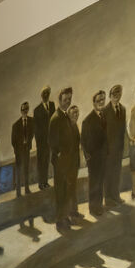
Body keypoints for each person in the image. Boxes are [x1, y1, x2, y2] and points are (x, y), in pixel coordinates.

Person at [48, 87, 79, 231]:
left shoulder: (66, 116)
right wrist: (60, 158)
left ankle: (65, 217)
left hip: (69, 162)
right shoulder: (55, 118)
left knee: (67, 191)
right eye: (65, 99)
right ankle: (60, 221)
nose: (68, 102)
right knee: (60, 191)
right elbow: (52, 142)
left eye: (70, 99)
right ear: (60, 100)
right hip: (61, 164)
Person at [81, 90, 108, 216]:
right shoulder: (88, 120)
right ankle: (93, 207)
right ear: (94, 103)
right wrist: (88, 157)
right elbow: (83, 142)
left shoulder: (104, 116)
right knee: (94, 182)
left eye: (103, 99)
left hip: (103, 156)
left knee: (100, 181)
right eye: (98, 100)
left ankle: (99, 205)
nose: (101, 102)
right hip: (93, 158)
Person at [104, 84, 127, 206]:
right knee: (108, 174)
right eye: (114, 95)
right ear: (110, 96)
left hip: (118, 149)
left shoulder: (123, 109)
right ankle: (108, 199)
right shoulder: (105, 111)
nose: (116, 97)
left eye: (118, 94)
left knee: (117, 173)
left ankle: (116, 195)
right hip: (107, 151)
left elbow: (122, 130)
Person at [33, 85, 55, 189]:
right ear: (41, 96)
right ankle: (41, 183)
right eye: (44, 94)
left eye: (47, 93)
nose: (46, 95)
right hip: (42, 142)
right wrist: (38, 143)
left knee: (49, 161)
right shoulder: (37, 110)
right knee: (42, 162)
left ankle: (46, 182)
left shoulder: (52, 105)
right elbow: (36, 129)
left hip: (52, 139)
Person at [11, 102, 34, 196]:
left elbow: (32, 133)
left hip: (26, 149)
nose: (24, 111)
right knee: (18, 170)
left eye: (26, 109)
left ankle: (27, 189)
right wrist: (17, 150)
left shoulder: (32, 121)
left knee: (26, 169)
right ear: (20, 111)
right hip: (19, 151)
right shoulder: (15, 125)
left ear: (28, 110)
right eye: (23, 109)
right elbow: (13, 141)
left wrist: (28, 144)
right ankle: (18, 191)